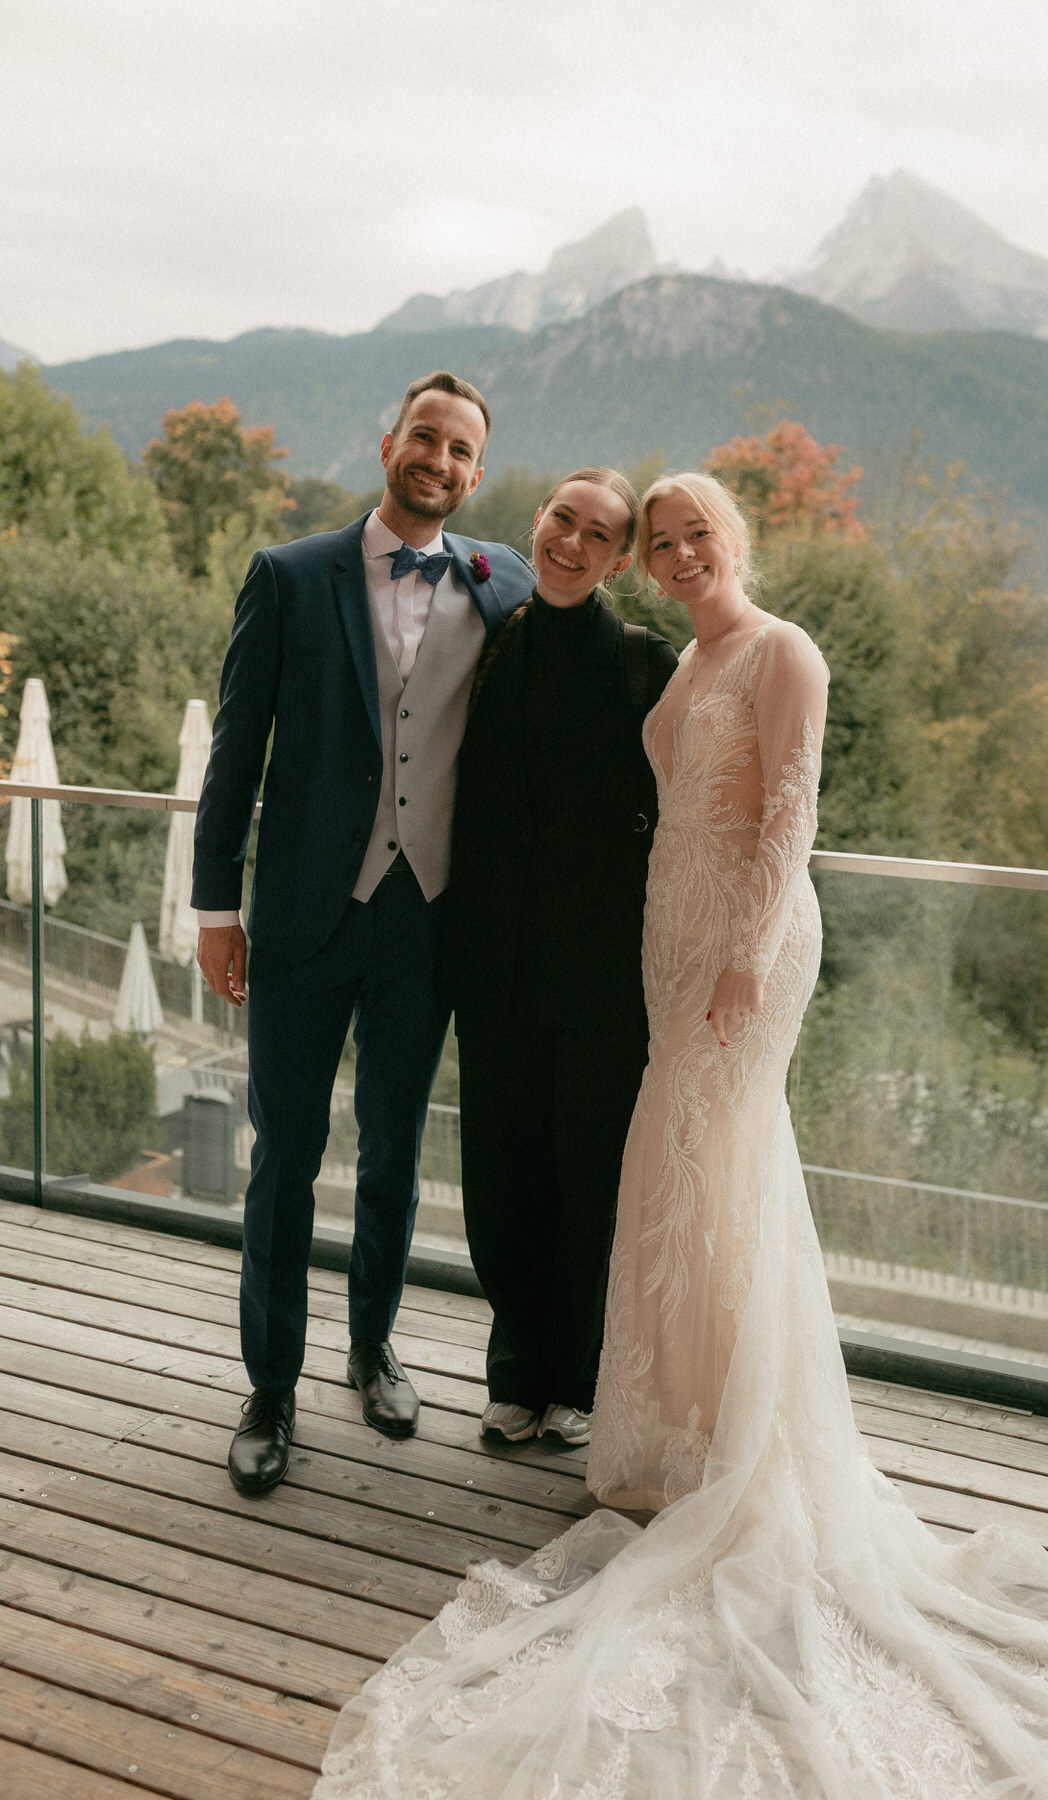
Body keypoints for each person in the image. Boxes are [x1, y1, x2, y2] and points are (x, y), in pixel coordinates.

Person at [314, 475, 1048, 1798]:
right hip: (668, 948)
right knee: (679, 1185)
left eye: (689, 536)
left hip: (741, 951)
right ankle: (676, 1431)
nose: (676, 555)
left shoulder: (783, 649)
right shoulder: (687, 661)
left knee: (713, 1169)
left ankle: (741, 1450)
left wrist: (743, 954)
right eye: (658, 543)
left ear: (732, 537)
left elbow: (791, 808)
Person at [192, 371, 534, 1498]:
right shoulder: (289, 578)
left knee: (394, 1154)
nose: (438, 458)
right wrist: (215, 911)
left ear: (476, 474)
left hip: (424, 924)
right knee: (286, 1155)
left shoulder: (506, 584)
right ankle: (271, 1387)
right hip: (300, 918)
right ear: (388, 444)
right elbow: (235, 755)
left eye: (460, 449)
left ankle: (372, 1344)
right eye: (423, 437)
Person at [444, 468, 677, 1450]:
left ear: (620, 559)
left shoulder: (645, 664)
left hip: (602, 976)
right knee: (500, 1182)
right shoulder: (486, 647)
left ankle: (577, 1379)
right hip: (494, 965)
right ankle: (515, 1372)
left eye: (598, 535)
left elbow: (688, 814)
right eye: (561, 521)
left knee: (589, 1184)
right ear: (537, 524)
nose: (572, 544)